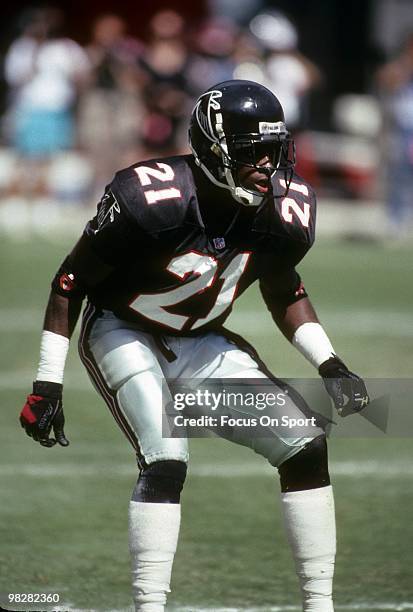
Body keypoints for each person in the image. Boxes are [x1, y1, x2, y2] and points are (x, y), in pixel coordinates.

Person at [19, 80, 369, 611]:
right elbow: (71, 282)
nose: (267, 166)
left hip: (200, 340)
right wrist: (47, 381)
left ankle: (320, 605)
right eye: (253, 153)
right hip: (122, 328)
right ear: (214, 149)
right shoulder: (149, 199)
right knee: (166, 457)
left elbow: (283, 289)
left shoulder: (284, 210)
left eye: (274, 151)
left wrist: (329, 362)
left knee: (305, 445)